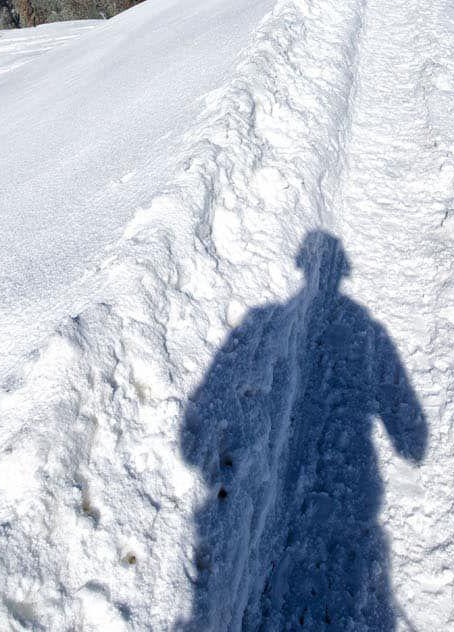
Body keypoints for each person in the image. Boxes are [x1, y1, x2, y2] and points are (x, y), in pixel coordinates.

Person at [180, 230, 426, 629]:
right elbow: (413, 434)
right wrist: (407, 437)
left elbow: (191, 436)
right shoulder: (367, 326)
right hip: (361, 491)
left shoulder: (265, 315)